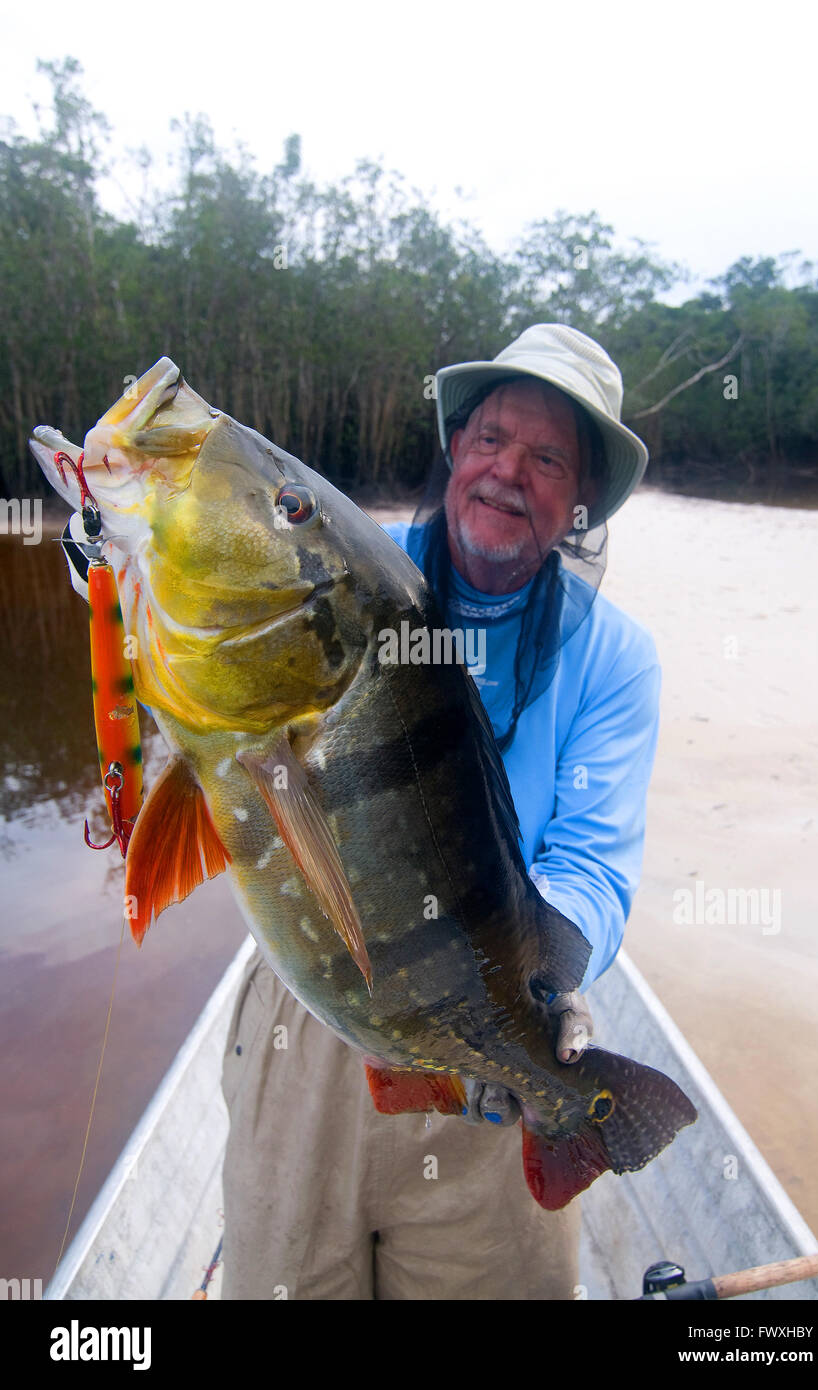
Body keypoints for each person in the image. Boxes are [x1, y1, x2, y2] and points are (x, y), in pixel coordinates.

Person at [217, 323, 661, 1300]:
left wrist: (538, 983)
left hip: (485, 1051)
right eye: (493, 437)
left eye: (548, 458)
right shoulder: (344, 576)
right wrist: (107, 555)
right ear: (454, 448)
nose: (509, 471)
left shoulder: (613, 661)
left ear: (581, 500)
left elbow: (590, 861)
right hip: (312, 1001)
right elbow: (207, 630)